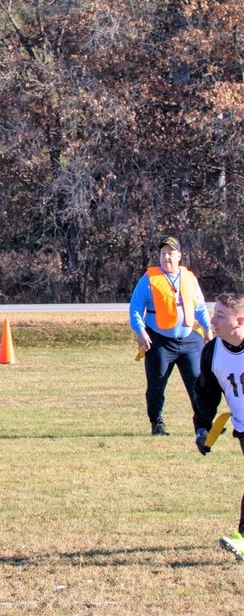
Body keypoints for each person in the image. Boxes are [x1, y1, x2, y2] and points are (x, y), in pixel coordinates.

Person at [129, 236, 213, 436]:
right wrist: (140, 331)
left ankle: (203, 426)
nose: (166, 257)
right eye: (163, 253)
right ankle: (157, 423)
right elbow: (135, 308)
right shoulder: (148, 279)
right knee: (157, 385)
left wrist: (208, 328)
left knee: (198, 384)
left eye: (170, 253)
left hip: (189, 340)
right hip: (159, 341)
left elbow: (199, 306)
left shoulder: (190, 278)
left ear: (179, 256)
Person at [192, 293, 244, 560]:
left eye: (221, 316)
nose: (213, 320)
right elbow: (206, 393)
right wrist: (202, 428)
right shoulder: (213, 352)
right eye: (214, 313)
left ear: (240, 321)